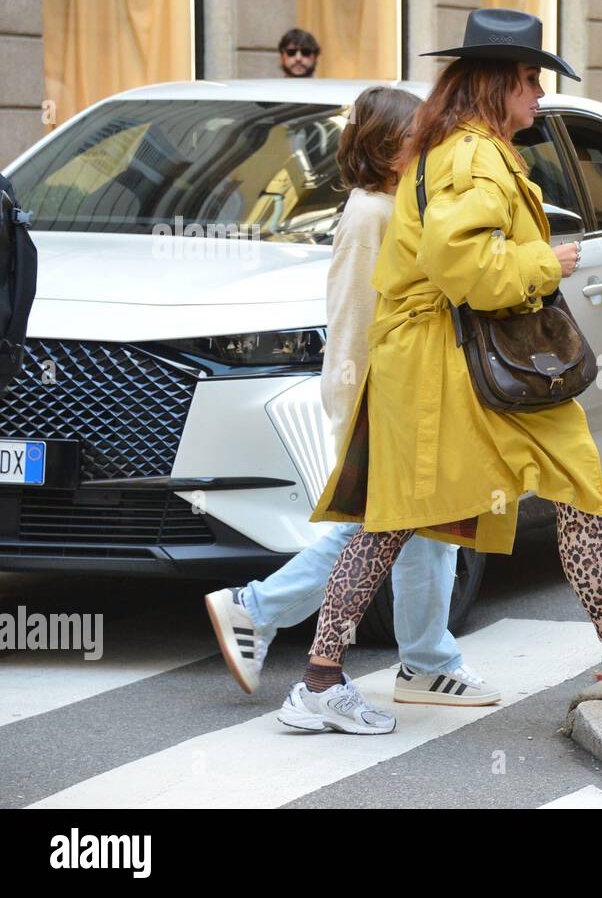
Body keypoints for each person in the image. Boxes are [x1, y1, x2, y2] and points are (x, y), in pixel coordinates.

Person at [280, 8, 602, 735]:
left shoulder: (464, 149)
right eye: (529, 81)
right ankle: (319, 679)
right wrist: (545, 261)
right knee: (404, 516)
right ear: (496, 85)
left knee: (551, 488)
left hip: (457, 359)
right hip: (450, 360)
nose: (537, 96)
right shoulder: (472, 155)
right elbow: (468, 271)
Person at [205, 86, 499, 706]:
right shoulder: (373, 214)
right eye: (421, 137)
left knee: (428, 528)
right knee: (377, 529)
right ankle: (253, 608)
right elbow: (354, 318)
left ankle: (426, 661)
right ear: (391, 148)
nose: (433, 146)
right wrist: (357, 406)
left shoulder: (394, 207)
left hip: (407, 396)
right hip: (385, 399)